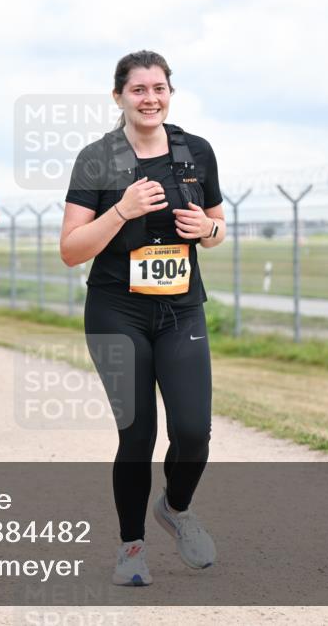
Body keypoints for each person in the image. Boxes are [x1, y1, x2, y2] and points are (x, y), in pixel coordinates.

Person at [60, 51, 225, 586]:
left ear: (170, 93)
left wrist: (208, 230)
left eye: (159, 88)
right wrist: (122, 210)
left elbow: (218, 228)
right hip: (116, 310)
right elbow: (70, 250)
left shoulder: (196, 151)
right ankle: (131, 549)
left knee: (194, 432)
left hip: (181, 309)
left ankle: (176, 508)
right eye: (138, 90)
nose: (150, 98)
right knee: (138, 435)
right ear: (119, 97)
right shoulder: (96, 159)